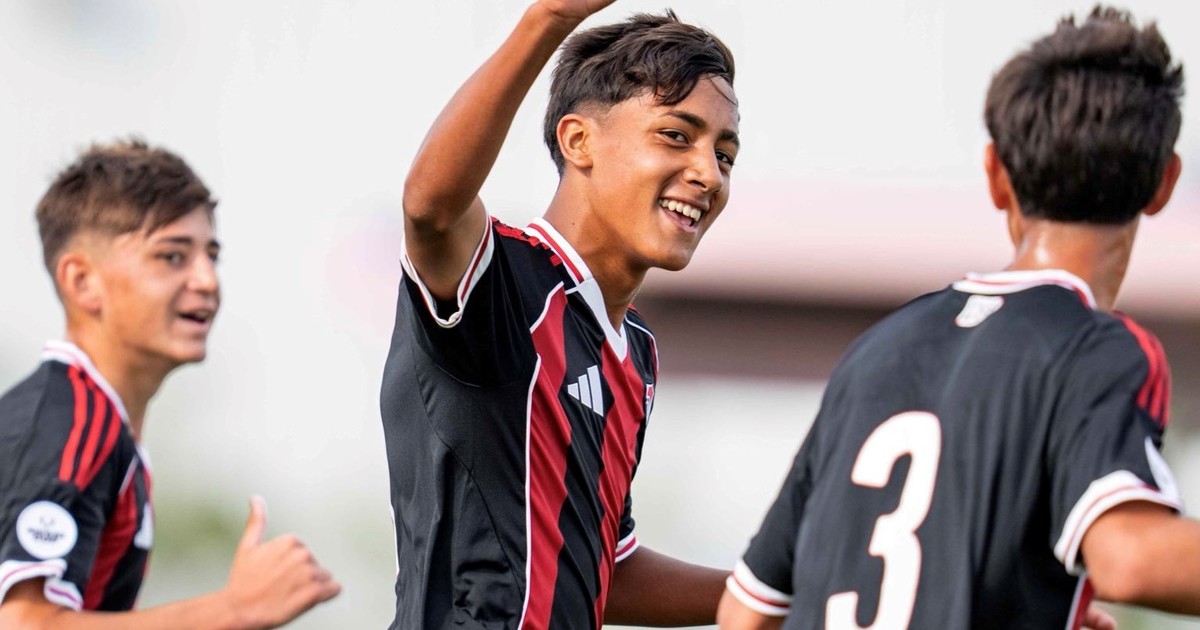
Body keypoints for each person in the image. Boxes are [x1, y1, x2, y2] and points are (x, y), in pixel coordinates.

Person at [716, 6, 1190, 630]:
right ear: (1163, 182)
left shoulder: (879, 348)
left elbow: (744, 612)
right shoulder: (1098, 348)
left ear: (995, 175)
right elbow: (1130, 559)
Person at [380, 0, 740, 627]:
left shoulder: (636, 350)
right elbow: (430, 208)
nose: (708, 174)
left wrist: (776, 591)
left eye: (725, 155)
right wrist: (546, 18)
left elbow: (607, 569)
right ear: (579, 141)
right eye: (676, 136)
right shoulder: (504, 281)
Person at [0, 140, 341, 628]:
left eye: (212, 256)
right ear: (82, 281)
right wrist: (235, 608)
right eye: (172, 256)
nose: (207, 280)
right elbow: (22, 623)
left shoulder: (92, 421)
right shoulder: (73, 424)